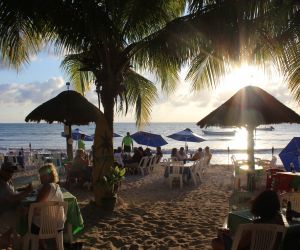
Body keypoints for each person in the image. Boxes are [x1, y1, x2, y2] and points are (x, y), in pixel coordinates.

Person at [211, 190, 284, 250]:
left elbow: (238, 246)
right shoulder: (279, 220)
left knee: (215, 241)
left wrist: (225, 236)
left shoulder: (255, 227)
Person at [0, 162, 33, 245]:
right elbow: (12, 198)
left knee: (27, 211)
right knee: (27, 216)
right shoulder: (1, 184)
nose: (10, 174)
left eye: (12, 172)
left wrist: (23, 189)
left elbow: (12, 193)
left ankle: (12, 236)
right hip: (4, 213)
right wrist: (27, 191)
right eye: (8, 171)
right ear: (1, 171)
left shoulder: (7, 181)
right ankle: (13, 239)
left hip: (10, 208)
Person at [32, 163, 65, 235]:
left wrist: (26, 209)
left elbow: (36, 205)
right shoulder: (57, 186)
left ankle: (38, 241)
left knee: (27, 215)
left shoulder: (46, 187)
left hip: (45, 226)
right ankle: (43, 242)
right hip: (59, 225)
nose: (40, 177)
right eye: (40, 175)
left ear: (50, 176)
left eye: (43, 175)